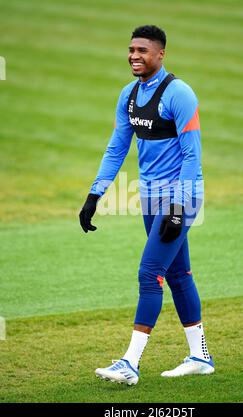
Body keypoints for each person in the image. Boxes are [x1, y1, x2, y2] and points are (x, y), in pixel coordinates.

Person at [79, 25, 214, 386]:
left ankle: (130, 363)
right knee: (177, 274)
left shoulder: (180, 94)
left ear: (160, 54)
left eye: (142, 50)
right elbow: (116, 147)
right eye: (131, 50)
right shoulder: (129, 95)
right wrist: (95, 194)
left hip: (178, 199)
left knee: (149, 272)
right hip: (151, 198)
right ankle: (200, 356)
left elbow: (192, 156)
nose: (134, 56)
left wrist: (179, 206)